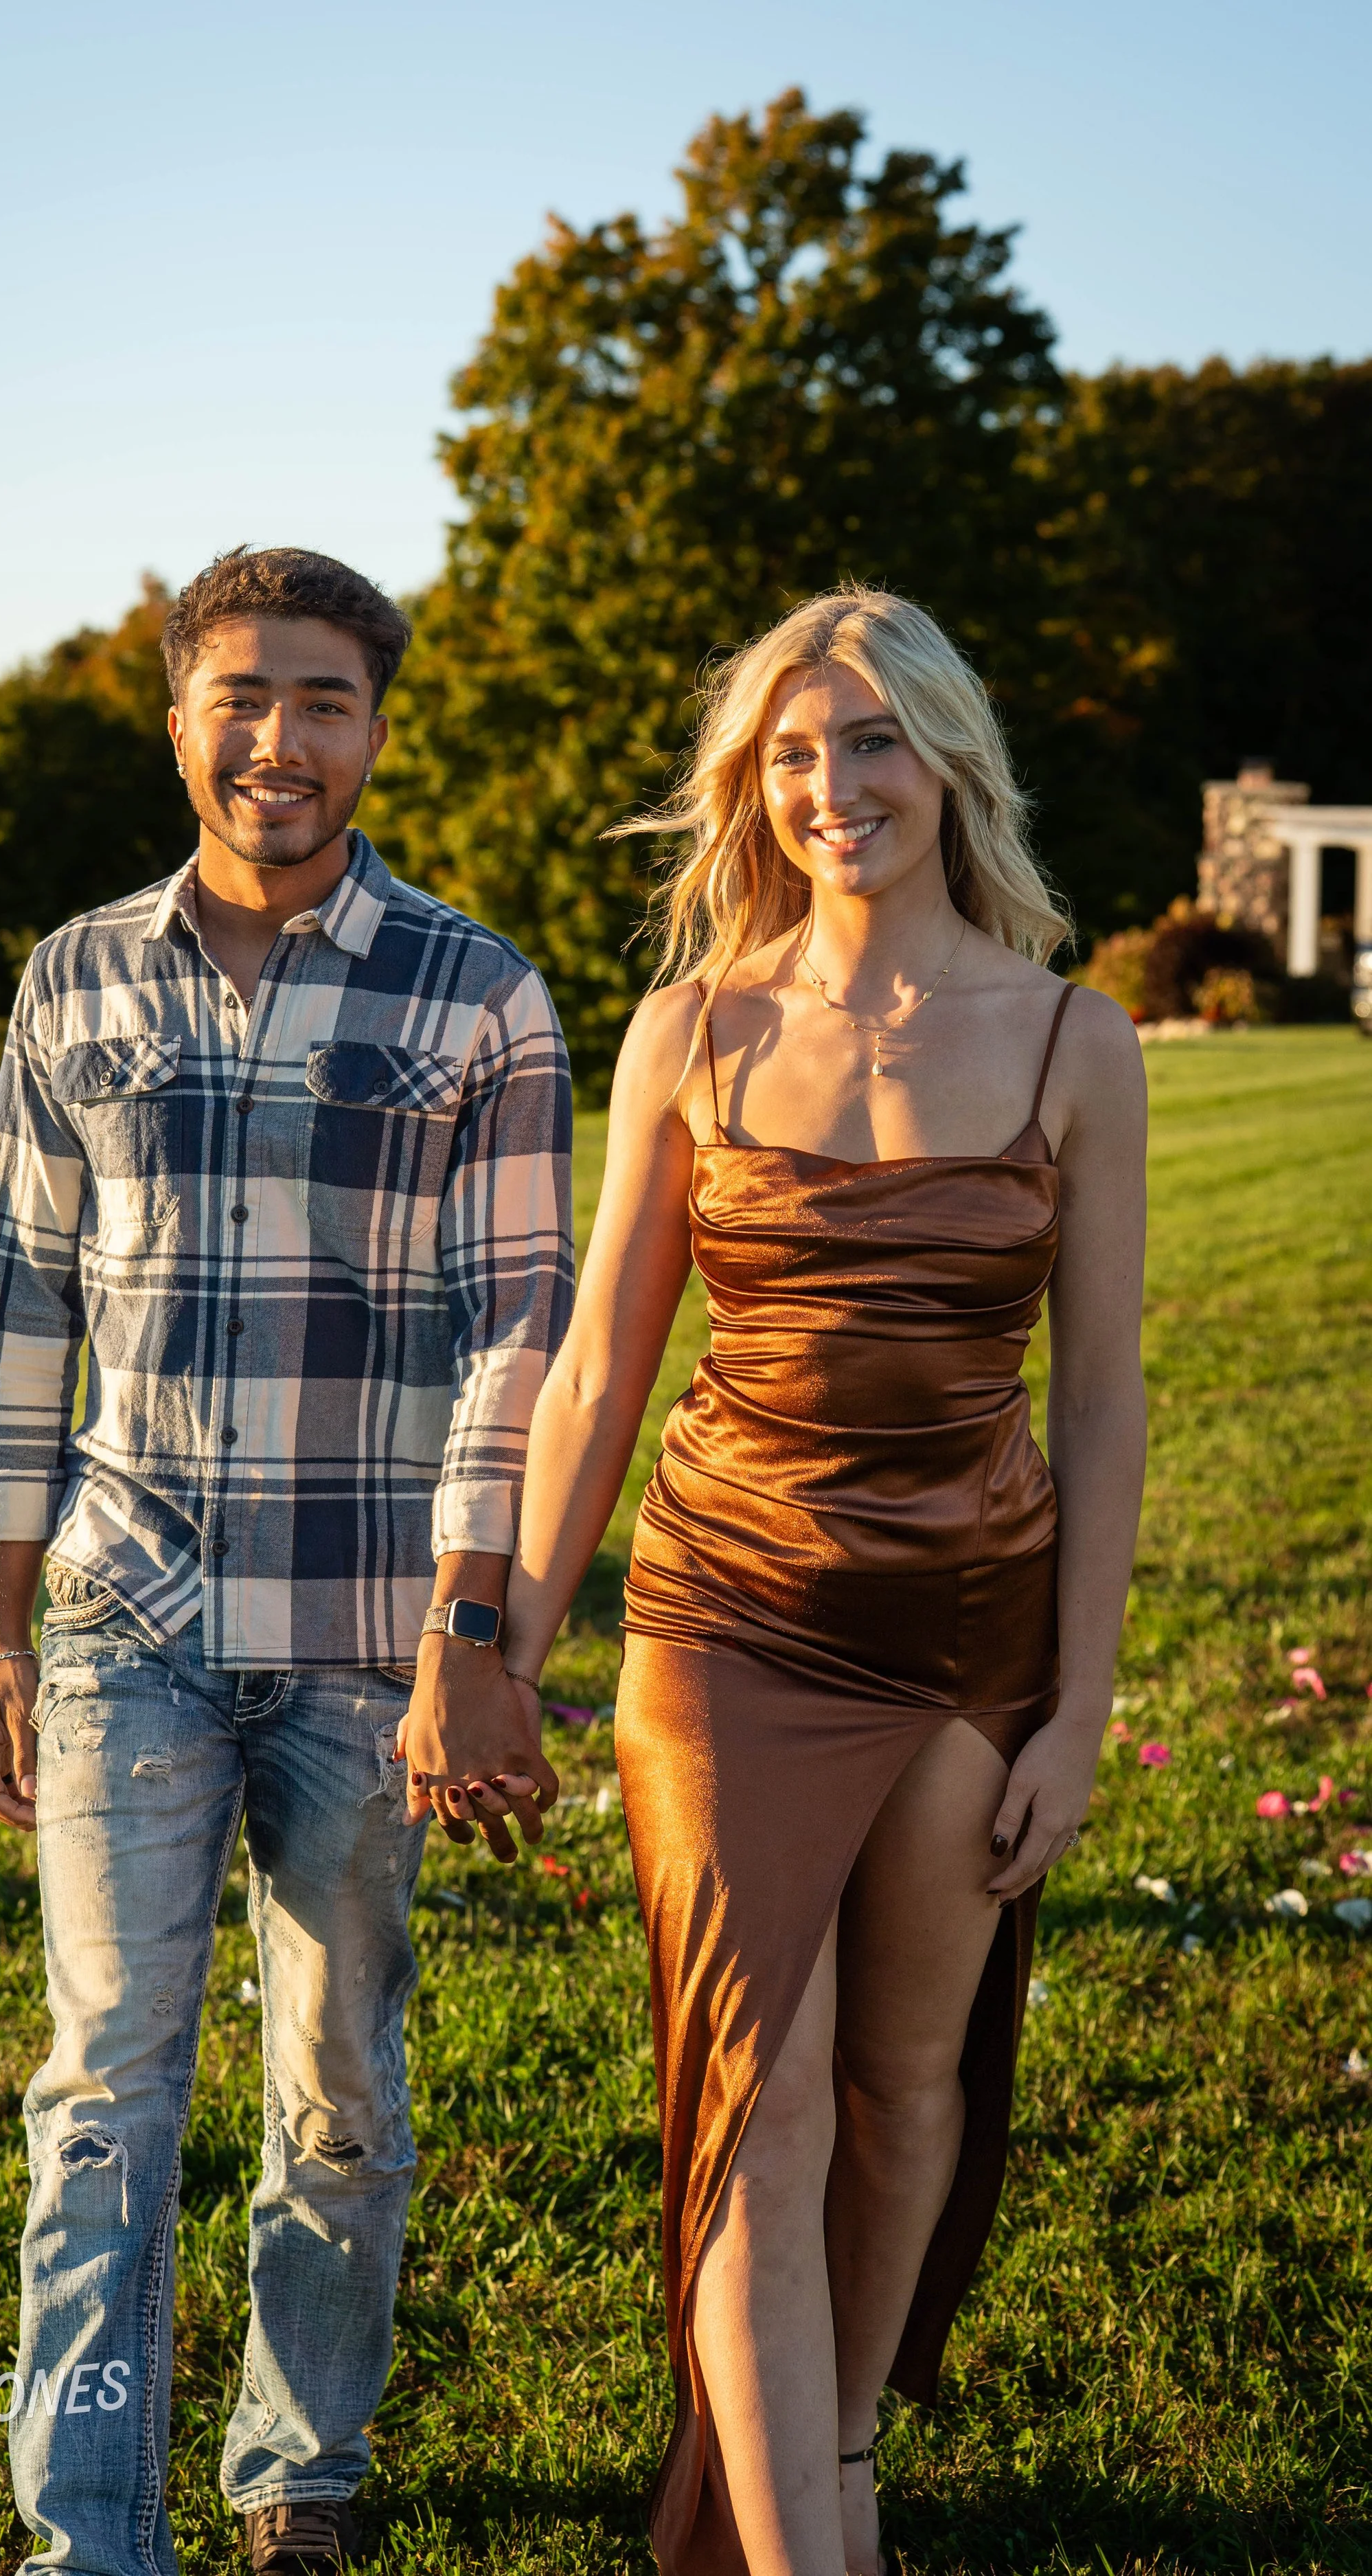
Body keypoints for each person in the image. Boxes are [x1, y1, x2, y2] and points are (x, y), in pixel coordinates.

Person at [496, 586, 1147, 2576]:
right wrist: (499, 1648)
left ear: (946, 760)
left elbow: (1107, 1397)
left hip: (968, 1626)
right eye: (791, 752)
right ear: (746, 786)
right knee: (758, 2100)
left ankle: (839, 2444)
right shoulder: (690, 1027)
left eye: (867, 741)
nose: (830, 785)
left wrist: (1079, 1703)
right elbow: (600, 1364)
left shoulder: (1070, 1037)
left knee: (905, 2084)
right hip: (726, 1614)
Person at [0, 545, 571, 2576]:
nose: (277, 742)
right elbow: (18, 1309)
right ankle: (90, 2530)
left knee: (337, 2081)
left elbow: (517, 1333)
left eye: (322, 700)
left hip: (365, 1640)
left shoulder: (474, 991)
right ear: (178, 718)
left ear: (377, 730)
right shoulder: (74, 976)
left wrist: (473, 1629)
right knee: (103, 2092)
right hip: (118, 1615)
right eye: (241, 695)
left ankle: (298, 2470)